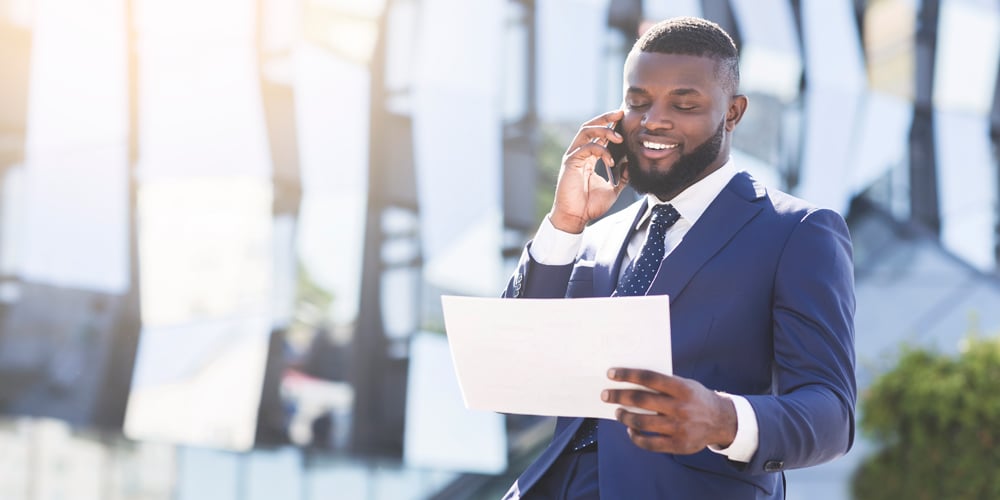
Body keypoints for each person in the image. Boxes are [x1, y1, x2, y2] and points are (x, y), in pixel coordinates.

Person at [500, 16, 856, 499]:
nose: (653, 120)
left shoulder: (796, 232)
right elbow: (514, 365)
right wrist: (564, 222)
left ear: (733, 113)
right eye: (637, 102)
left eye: (684, 104)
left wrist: (723, 418)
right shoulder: (595, 236)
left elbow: (832, 414)